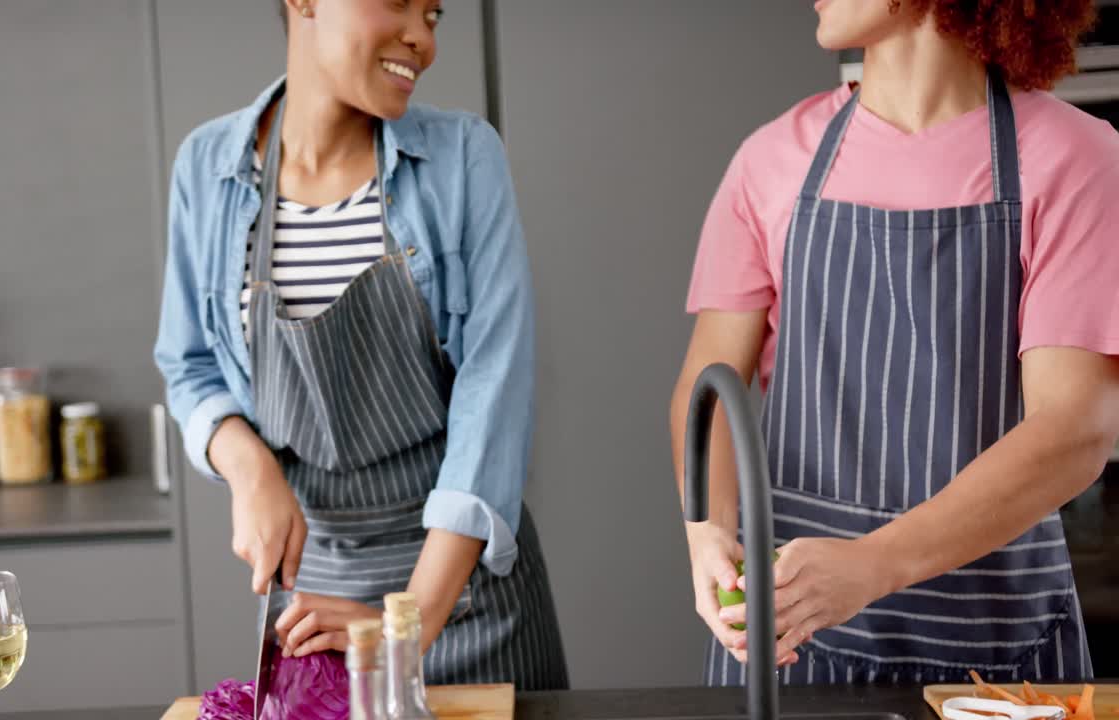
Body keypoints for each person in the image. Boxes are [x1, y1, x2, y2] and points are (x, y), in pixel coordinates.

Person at [672, 0, 1119, 685]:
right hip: (792, 642)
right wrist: (709, 529)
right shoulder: (771, 161)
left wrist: (870, 566)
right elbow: (707, 382)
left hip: (996, 656)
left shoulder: (1076, 159)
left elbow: (1075, 429)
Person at [154, 0, 567, 689]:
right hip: (318, 608)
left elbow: (493, 394)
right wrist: (249, 468)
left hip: (468, 601)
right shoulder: (208, 167)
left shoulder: (464, 157)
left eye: (434, 14)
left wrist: (408, 622)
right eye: (400, 2)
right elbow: (188, 363)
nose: (422, 38)